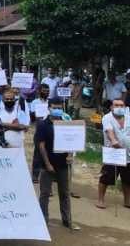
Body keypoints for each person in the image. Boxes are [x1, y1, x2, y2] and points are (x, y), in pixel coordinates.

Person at [35, 97, 78, 230]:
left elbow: (71, 142)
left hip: (63, 165)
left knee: (65, 193)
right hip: (47, 165)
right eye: (55, 107)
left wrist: (70, 155)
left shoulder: (65, 123)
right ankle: (43, 220)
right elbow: (41, 146)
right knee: (45, 193)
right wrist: (47, 164)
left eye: (60, 108)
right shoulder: (42, 125)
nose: (58, 110)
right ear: (49, 108)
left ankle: (67, 220)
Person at [96, 99, 129, 209]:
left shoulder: (128, 116)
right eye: (116, 105)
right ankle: (100, 200)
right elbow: (109, 132)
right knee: (106, 177)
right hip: (113, 153)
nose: (119, 107)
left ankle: (127, 201)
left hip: (128, 154)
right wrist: (114, 141)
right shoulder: (107, 118)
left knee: (127, 179)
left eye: (121, 105)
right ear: (111, 107)